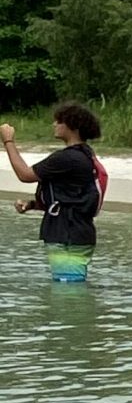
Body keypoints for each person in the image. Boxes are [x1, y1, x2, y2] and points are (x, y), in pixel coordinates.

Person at [1, 102, 107, 282]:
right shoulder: (85, 155)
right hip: (77, 232)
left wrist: (8, 141)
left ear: (73, 127)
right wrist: (33, 205)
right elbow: (70, 198)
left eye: (59, 121)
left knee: (67, 288)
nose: (54, 124)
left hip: (68, 235)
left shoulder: (67, 158)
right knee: (70, 284)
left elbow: (25, 175)